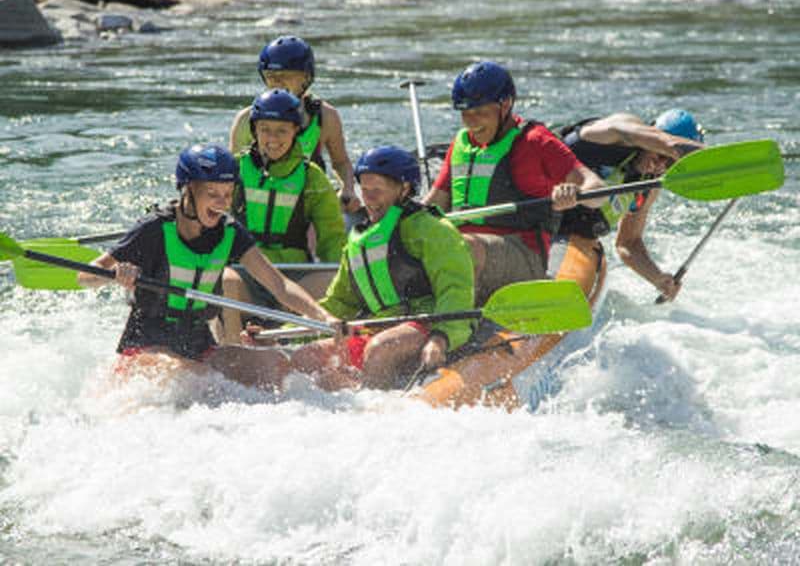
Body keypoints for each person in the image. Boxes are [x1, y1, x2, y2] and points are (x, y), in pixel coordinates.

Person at [77, 143, 339, 389]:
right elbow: (85, 276)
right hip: (147, 344)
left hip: (198, 342)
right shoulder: (153, 229)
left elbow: (279, 285)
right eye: (212, 194)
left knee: (275, 366)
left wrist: (323, 317)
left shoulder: (230, 232)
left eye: (227, 194)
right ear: (188, 190)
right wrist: (116, 275)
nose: (222, 203)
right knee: (201, 379)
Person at [278, 146, 475, 391]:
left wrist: (441, 338)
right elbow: (340, 303)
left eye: (377, 191)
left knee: (381, 348)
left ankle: (375, 413)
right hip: (377, 325)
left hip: (425, 323)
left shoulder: (432, 229)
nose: (368, 199)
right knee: (307, 357)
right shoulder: (359, 239)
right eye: (365, 190)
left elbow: (455, 290)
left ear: (404, 189)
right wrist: (285, 332)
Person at [423, 60, 606, 305]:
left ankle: (453, 327)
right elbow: (432, 204)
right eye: (465, 113)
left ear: (505, 104)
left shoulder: (536, 141)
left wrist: (574, 193)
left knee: (464, 247)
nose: (472, 122)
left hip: (523, 255)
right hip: (463, 252)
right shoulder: (461, 144)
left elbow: (597, 189)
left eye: (481, 112)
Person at [221, 89, 346, 344]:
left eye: (282, 131)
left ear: (295, 132)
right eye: (265, 129)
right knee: (224, 280)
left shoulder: (312, 177)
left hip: (293, 276)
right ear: (254, 131)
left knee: (337, 280)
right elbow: (212, 221)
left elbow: (332, 238)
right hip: (246, 273)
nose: (272, 139)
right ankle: (233, 352)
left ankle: (289, 339)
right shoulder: (233, 169)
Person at [558, 108, 705, 301]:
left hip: (575, 243)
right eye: (662, 155)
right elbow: (625, 130)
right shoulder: (619, 130)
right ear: (652, 137)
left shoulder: (649, 184)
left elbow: (628, 243)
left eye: (670, 165)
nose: (660, 166)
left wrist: (658, 278)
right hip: (533, 222)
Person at [228, 35, 360, 214]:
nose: (278, 83)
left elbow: (341, 162)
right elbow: (232, 174)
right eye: (271, 76)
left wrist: (348, 189)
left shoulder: (325, 116)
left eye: (287, 76)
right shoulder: (246, 119)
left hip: (307, 205)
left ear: (306, 78)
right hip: (260, 207)